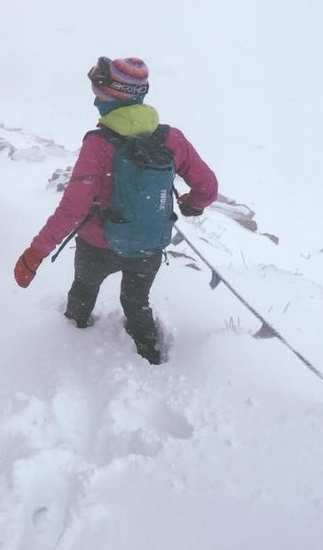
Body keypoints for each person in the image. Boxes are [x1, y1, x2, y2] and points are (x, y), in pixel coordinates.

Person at [13, 56, 218, 364]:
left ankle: (73, 332)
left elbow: (73, 208)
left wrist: (36, 252)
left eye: (98, 90)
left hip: (98, 244)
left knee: (84, 289)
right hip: (148, 245)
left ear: (112, 95)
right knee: (136, 302)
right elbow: (208, 187)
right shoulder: (172, 138)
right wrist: (191, 204)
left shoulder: (98, 144)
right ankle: (150, 356)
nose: (94, 96)